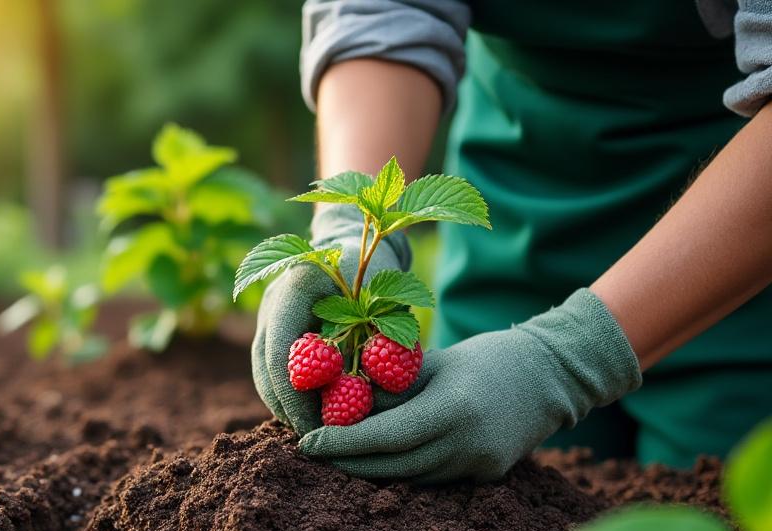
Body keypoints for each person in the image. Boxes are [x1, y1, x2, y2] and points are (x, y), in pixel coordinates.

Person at [253, 0, 772, 483]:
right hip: (513, 201)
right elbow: (386, 12)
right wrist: (352, 224)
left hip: (736, 246)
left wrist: (568, 357)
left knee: (712, 526)